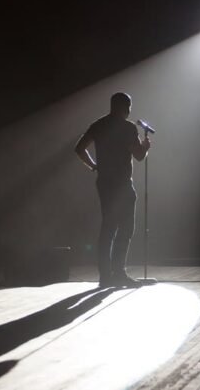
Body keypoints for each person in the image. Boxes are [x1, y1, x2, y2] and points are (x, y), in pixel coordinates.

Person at [75, 92, 151, 287]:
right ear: (125, 107)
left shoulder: (98, 124)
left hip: (105, 183)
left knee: (108, 228)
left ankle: (105, 276)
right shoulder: (127, 128)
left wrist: (93, 165)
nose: (130, 110)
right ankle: (119, 273)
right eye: (129, 106)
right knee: (125, 229)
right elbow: (140, 156)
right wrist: (146, 144)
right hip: (123, 184)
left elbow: (79, 148)